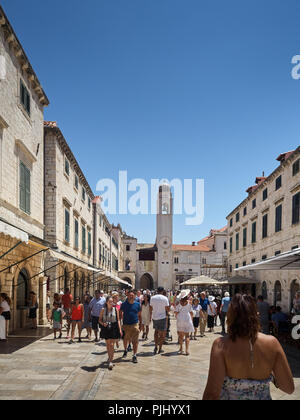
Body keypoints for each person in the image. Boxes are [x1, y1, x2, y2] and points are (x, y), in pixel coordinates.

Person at [202, 294, 295, 400]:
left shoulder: (221, 345)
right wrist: (271, 376)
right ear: (256, 314)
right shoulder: (272, 343)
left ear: (230, 316)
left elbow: (212, 393)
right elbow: (289, 388)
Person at [99, 296, 122, 370]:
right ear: (106, 302)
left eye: (112, 302)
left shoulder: (116, 309)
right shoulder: (103, 310)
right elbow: (99, 320)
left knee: (112, 344)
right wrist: (103, 324)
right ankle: (110, 358)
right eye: (110, 301)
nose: (111, 303)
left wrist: (120, 329)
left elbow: (118, 320)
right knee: (108, 344)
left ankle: (110, 361)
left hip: (114, 327)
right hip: (106, 328)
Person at [120, 290, 142, 363]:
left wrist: (141, 324)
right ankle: (125, 350)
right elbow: (120, 313)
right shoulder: (123, 304)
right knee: (125, 339)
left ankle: (134, 355)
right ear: (127, 296)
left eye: (132, 295)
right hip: (126, 325)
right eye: (130, 295)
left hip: (135, 324)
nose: (131, 296)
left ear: (135, 296)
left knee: (135, 341)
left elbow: (139, 315)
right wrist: (120, 323)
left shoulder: (137, 304)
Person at [150, 287, 170, 354]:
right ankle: (160, 348)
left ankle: (156, 346)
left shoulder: (152, 298)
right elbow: (167, 308)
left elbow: (151, 308)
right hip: (162, 317)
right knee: (162, 334)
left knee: (156, 332)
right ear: (162, 291)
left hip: (155, 317)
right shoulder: (165, 298)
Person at [175, 290, 194, 355]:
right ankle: (187, 350)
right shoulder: (189, 303)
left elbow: (176, 312)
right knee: (187, 335)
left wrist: (177, 317)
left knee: (180, 336)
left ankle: (181, 348)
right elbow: (191, 312)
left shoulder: (178, 303)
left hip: (180, 319)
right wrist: (191, 319)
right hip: (187, 318)